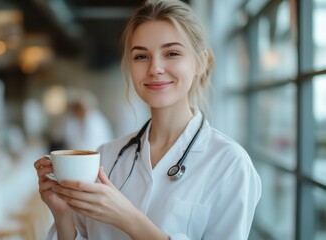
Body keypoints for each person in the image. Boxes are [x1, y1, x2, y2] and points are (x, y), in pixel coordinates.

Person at [34, 0, 262, 239]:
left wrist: (128, 218)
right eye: (141, 56)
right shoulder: (107, 156)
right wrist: (62, 214)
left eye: (171, 53)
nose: (155, 68)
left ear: (200, 63)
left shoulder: (230, 164)